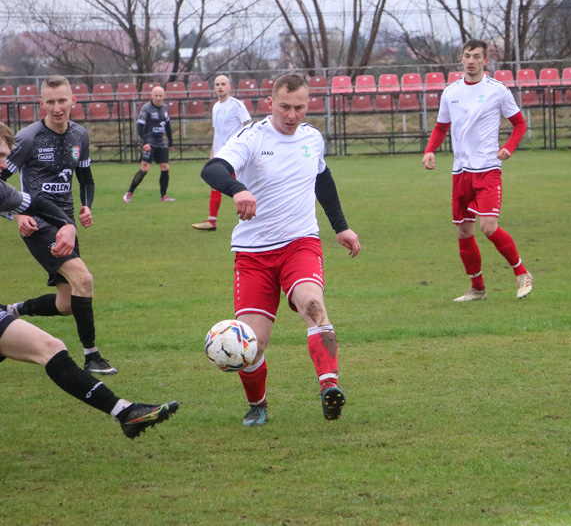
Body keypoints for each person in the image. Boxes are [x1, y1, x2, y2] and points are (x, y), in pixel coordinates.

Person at [200, 73, 361, 427]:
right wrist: (238, 189)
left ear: (308, 105)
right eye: (285, 107)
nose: (292, 115)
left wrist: (341, 227)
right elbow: (213, 169)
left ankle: (329, 387)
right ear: (270, 103)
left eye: (299, 107)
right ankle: (258, 404)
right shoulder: (253, 137)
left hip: (300, 243)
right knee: (252, 344)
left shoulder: (311, 138)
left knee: (313, 304)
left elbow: (323, 180)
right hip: (253, 255)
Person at [0, 124, 178, 438]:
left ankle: (126, 412)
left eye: (5, 157)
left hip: (57, 228)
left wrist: (66, 224)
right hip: (42, 237)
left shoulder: (2, 188)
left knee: (53, 338)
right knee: (71, 302)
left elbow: (35, 203)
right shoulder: (30, 139)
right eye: (0, 157)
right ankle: (98, 364)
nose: (4, 165)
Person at [0, 78, 118, 375]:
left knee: (66, 303)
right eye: (50, 102)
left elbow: (86, 179)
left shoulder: (80, 135)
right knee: (84, 279)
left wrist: (86, 205)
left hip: (67, 225)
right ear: (42, 104)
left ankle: (12, 310)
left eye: (62, 101)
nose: (56, 108)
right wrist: (16, 215)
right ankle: (92, 356)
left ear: (72, 100)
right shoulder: (28, 139)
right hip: (37, 226)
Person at [422, 39, 533, 302]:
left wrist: (509, 147)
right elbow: (441, 127)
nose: (471, 60)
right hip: (460, 171)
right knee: (464, 232)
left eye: (476, 56)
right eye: (467, 55)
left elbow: (519, 124)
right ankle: (478, 288)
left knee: (488, 226)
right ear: (461, 59)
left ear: (485, 61)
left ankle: (522, 273)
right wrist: (429, 149)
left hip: (487, 169)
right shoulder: (450, 92)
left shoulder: (498, 90)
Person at [192, 75, 252, 231]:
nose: (220, 87)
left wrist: (245, 146)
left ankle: (256, 216)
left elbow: (248, 126)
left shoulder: (237, 105)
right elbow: (217, 132)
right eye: (217, 84)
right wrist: (213, 152)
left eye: (223, 84)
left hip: (235, 154)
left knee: (244, 186)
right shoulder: (216, 107)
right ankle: (212, 220)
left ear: (229, 86)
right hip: (221, 155)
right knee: (216, 185)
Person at [123, 85, 175, 202]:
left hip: (161, 142)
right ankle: (129, 192)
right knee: (145, 168)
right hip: (149, 142)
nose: (158, 98)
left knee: (165, 167)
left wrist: (170, 142)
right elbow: (140, 127)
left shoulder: (165, 108)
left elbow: (168, 126)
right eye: (156, 95)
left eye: (160, 96)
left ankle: (163, 196)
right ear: (151, 96)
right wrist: (145, 142)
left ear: (164, 96)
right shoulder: (146, 108)